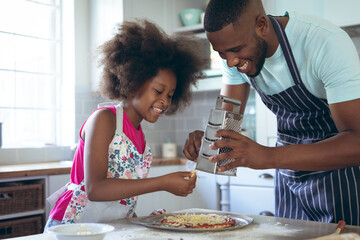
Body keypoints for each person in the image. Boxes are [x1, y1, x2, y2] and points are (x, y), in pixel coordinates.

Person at [183, 0, 360, 225]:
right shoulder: (235, 58)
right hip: (289, 178)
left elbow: (356, 143)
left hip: (340, 179)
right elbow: (224, 131)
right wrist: (208, 142)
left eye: (236, 50)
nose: (231, 62)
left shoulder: (324, 43)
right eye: (221, 54)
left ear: (262, 25)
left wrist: (266, 156)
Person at [44, 19, 205, 231]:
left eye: (170, 95)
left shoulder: (140, 138)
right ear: (134, 81)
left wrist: (141, 219)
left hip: (105, 230)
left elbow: (119, 200)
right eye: (158, 91)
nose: (165, 101)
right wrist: (162, 183)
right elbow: (96, 189)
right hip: (73, 228)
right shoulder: (104, 119)